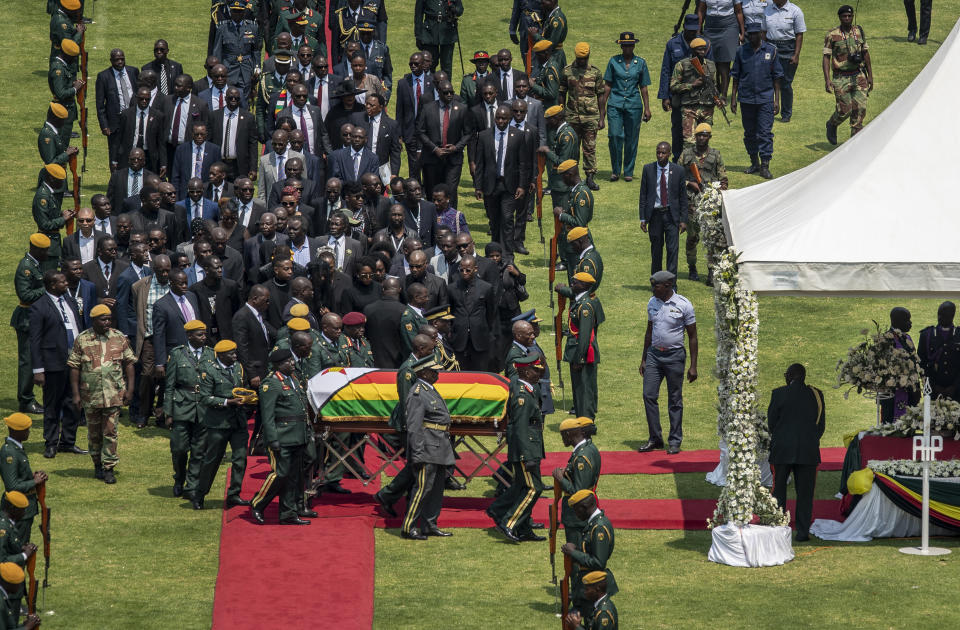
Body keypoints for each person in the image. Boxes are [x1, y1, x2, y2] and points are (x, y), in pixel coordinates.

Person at [67, 304, 136, 484]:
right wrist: (75, 394)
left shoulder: (119, 337)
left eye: (109, 319)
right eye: (103, 319)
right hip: (91, 395)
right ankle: (97, 463)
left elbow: (129, 363)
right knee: (94, 434)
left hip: (113, 394)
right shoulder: (82, 339)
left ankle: (109, 468)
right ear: (93, 320)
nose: (107, 322)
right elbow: (74, 367)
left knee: (110, 432)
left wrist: (130, 389)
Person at [249, 348, 312, 525]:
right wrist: (272, 439)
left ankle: (288, 513)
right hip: (281, 437)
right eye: (288, 361)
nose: (293, 363)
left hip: (297, 436)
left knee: (293, 476)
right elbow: (267, 415)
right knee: (280, 473)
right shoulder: (271, 384)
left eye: (292, 360)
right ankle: (257, 503)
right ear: (278, 364)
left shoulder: (293, 380)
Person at [638, 270, 698, 454]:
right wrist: (644, 358)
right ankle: (655, 438)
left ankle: (674, 441)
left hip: (674, 357)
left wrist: (693, 366)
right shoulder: (652, 302)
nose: (652, 289)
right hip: (654, 356)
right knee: (649, 395)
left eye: (655, 286)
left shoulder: (684, 305)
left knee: (674, 399)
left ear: (667, 286)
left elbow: (693, 336)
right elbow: (649, 331)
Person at [488, 355, 546, 543]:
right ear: (525, 372)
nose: (540, 372)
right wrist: (526, 455)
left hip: (529, 447)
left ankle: (521, 525)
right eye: (536, 370)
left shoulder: (525, 388)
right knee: (533, 488)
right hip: (526, 449)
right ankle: (509, 523)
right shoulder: (522, 394)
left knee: (521, 486)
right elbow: (521, 427)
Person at [30, 271, 85, 459]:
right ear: (52, 285)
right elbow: (35, 341)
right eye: (63, 281)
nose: (67, 283)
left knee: (73, 403)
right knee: (52, 405)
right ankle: (51, 442)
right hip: (53, 364)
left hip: (75, 363)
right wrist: (38, 370)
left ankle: (68, 441)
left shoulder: (68, 301)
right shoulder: (39, 307)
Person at [400, 356, 456, 540]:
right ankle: (409, 526)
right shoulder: (417, 393)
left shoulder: (428, 389)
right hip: (426, 448)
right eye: (434, 371)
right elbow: (414, 427)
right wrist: (417, 453)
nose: (437, 373)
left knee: (436, 489)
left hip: (439, 446)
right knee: (423, 489)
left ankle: (430, 524)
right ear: (424, 373)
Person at [768, 363, 825, 542]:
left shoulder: (778, 394)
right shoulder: (816, 394)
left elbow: (771, 423)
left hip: (782, 449)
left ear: (790, 376)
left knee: (779, 490)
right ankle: (802, 531)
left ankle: (779, 526)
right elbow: (821, 425)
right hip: (808, 450)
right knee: (805, 493)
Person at [195, 339, 251, 510]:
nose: (235, 355)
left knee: (240, 459)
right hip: (219, 423)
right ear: (220, 355)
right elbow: (205, 398)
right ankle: (200, 494)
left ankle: (234, 493)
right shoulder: (209, 370)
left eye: (235, 352)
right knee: (212, 460)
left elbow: (243, 386)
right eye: (231, 353)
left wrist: (247, 397)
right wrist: (228, 401)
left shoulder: (238, 367)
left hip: (238, 421)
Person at [163, 320, 214, 499]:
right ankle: (179, 478)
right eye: (200, 334)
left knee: (199, 449)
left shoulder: (211, 354)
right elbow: (169, 385)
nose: (204, 337)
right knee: (179, 448)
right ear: (189, 336)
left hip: (203, 408)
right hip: (181, 406)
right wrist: (168, 412)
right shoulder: (177, 354)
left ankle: (191, 485)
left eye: (204, 334)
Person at [473, 105, 531, 254]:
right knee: (494, 219)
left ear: (509, 119)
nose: (500, 121)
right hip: (490, 185)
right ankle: (495, 249)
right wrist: (478, 186)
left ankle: (507, 251)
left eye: (504, 118)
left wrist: (522, 186)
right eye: (498, 118)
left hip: (509, 185)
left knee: (507, 218)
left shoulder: (518, 135)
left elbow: (523, 163)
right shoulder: (485, 135)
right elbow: (480, 164)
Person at [659, 14, 715, 162]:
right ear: (684, 27)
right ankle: (679, 159)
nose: (692, 33)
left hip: (700, 100)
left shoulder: (705, 44)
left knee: (700, 133)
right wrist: (665, 96)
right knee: (679, 130)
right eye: (689, 30)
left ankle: (698, 161)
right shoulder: (673, 44)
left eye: (695, 30)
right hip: (678, 96)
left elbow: (710, 70)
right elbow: (666, 70)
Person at [730, 22, 782, 179]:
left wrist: (776, 100)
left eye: (755, 34)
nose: (752, 37)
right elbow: (736, 76)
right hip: (746, 99)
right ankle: (754, 162)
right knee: (750, 133)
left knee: (765, 133)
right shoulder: (741, 51)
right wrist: (733, 98)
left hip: (765, 99)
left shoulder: (771, 51)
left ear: (761, 34)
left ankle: (765, 165)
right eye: (750, 34)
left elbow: (777, 77)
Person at [678, 123, 727, 284]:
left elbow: (723, 179)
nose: (701, 138)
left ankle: (711, 271)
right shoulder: (686, 155)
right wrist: (688, 184)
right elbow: (676, 177)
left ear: (709, 137)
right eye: (699, 135)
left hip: (709, 205)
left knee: (712, 239)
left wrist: (718, 190)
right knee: (692, 237)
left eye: (705, 135)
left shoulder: (716, 155)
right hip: (691, 203)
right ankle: (692, 267)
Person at [603, 33, 651, 183]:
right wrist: (602, 108)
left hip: (634, 105)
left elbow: (643, 87)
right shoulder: (613, 61)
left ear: (634, 46)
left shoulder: (641, 63)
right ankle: (616, 170)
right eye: (625, 45)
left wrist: (647, 108)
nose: (627, 48)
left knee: (631, 139)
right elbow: (608, 85)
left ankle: (628, 171)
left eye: (630, 45)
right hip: (615, 104)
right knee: (615, 135)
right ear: (621, 46)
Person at [561, 490, 618, 616]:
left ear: (584, 507)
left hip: (593, 585)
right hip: (587, 583)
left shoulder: (599, 528)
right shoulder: (593, 523)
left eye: (576, 510)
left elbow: (598, 562)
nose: (575, 514)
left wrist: (573, 553)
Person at [417, 80, 471, 209]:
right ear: (438, 92)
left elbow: (468, 133)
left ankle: (451, 222)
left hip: (453, 159)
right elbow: (420, 131)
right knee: (432, 192)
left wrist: (456, 147)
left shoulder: (462, 109)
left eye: (451, 92)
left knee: (450, 191)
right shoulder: (428, 108)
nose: (449, 95)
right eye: (446, 92)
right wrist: (434, 149)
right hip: (432, 158)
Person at [823, 5, 873, 145]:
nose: (847, 18)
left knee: (860, 109)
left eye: (849, 16)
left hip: (858, 75)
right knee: (845, 110)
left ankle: (854, 145)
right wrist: (827, 80)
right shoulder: (832, 35)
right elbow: (826, 57)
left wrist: (870, 75)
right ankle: (832, 124)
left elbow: (865, 53)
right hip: (841, 77)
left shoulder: (859, 31)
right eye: (844, 16)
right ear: (839, 17)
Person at [557, 272, 603, 420]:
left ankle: (586, 421)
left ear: (584, 285)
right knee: (578, 389)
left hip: (581, 353)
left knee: (584, 389)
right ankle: (581, 418)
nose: (572, 285)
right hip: (576, 351)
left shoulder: (585, 306)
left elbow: (584, 335)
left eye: (575, 282)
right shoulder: (581, 300)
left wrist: (579, 358)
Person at [12, 235, 49, 415]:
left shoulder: (34, 264)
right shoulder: (26, 268)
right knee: (27, 361)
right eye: (45, 250)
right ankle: (25, 400)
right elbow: (25, 295)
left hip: (34, 317)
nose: (48, 253)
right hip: (26, 319)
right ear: (36, 249)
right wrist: (46, 289)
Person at [559, 43, 605, 192]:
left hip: (590, 117)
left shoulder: (595, 73)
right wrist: (561, 114)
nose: (581, 61)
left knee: (590, 147)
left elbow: (601, 95)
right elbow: (562, 93)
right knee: (572, 148)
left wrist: (602, 117)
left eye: (584, 58)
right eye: (579, 58)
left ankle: (590, 177)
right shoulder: (567, 72)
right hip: (572, 116)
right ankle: (572, 177)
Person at [638, 142, 688, 278]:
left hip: (672, 216)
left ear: (669, 154)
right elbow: (643, 194)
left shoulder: (678, 171)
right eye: (658, 152)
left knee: (672, 251)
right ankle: (657, 283)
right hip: (655, 216)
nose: (660, 155)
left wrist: (684, 220)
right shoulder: (648, 169)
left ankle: (671, 285)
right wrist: (643, 218)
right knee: (656, 251)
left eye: (663, 153)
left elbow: (683, 197)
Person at [0, 414, 48, 543]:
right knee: (17, 546)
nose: (29, 432)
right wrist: (34, 481)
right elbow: (12, 486)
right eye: (26, 430)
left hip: (26, 508)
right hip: (17, 508)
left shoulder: (17, 448)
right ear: (16, 431)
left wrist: (33, 477)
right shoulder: (9, 452)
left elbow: (19, 475)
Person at [553, 417, 600, 543]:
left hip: (576, 514)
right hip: (585, 507)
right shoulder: (589, 448)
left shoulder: (581, 457)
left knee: (576, 554)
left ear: (568, 434)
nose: (562, 439)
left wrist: (561, 479)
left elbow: (579, 491)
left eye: (562, 435)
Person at [448, 256, 498, 371]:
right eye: (461, 270)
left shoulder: (486, 288)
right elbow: (449, 310)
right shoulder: (452, 288)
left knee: (480, 370)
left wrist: (485, 328)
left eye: (468, 270)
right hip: (459, 338)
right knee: (460, 372)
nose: (464, 273)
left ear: (475, 269)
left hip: (479, 337)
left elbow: (491, 313)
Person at [669, 38, 717, 150]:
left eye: (704, 49)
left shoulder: (711, 65)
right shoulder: (682, 65)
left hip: (707, 108)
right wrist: (692, 85)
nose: (702, 52)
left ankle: (703, 167)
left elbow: (714, 85)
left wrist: (717, 98)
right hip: (689, 108)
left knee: (704, 141)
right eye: (699, 50)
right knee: (689, 143)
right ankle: (688, 167)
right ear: (692, 50)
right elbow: (673, 86)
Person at [763, 0, 806, 123]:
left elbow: (799, 34)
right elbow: (764, 32)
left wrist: (796, 55)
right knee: (768, 81)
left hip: (788, 48)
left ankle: (786, 114)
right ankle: (768, 111)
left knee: (785, 83)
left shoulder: (795, 11)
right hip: (771, 47)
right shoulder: (767, 10)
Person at [697, 0, 745, 102]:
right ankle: (713, 91)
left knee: (724, 62)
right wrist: (699, 29)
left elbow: (739, 11)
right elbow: (701, 10)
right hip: (710, 26)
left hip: (728, 25)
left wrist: (742, 32)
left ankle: (723, 94)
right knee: (710, 61)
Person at [553, 160, 593, 282]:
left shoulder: (581, 194)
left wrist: (561, 216)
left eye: (562, 176)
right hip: (573, 242)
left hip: (578, 242)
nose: (562, 180)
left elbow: (580, 222)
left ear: (569, 174)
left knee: (575, 282)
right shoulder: (576, 191)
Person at [880, 307, 921, 423]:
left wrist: (916, 387)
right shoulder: (885, 339)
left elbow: (914, 363)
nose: (911, 323)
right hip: (892, 395)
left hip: (910, 394)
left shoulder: (907, 338)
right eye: (907, 320)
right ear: (896, 321)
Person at [918, 302, 960, 402]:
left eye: (944, 315)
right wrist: (933, 386)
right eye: (939, 314)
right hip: (933, 390)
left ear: (952, 316)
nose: (940, 317)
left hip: (957, 391)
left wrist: (955, 386)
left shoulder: (958, 334)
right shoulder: (927, 335)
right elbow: (921, 363)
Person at [364, 276, 407, 368]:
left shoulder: (368, 309)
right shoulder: (405, 311)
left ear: (383, 289)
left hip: (372, 363)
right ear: (399, 290)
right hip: (397, 365)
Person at [414, 0, 463, 76]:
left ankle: (446, 87)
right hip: (430, 33)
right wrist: (418, 35)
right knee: (429, 63)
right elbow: (418, 14)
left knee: (447, 65)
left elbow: (460, 10)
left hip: (447, 33)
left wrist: (454, 9)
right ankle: (429, 86)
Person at [0, 562, 41, 629]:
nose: (20, 587)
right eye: (18, 583)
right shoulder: (1, 604)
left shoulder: (3, 596)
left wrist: (24, 625)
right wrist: (26, 628)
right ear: (9, 584)